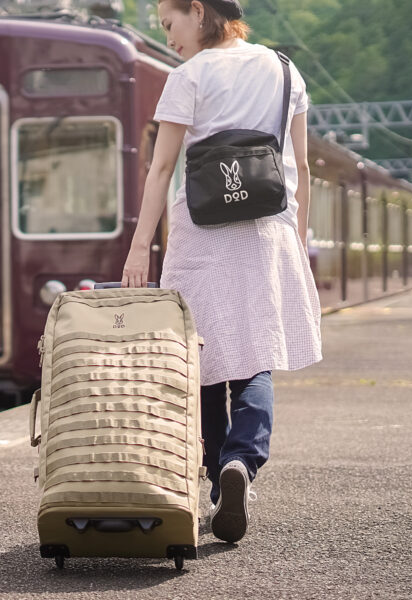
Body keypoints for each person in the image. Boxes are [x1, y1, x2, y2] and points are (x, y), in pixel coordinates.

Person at [121, 0, 323, 543]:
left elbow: (162, 167)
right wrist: (294, 242)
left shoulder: (188, 77)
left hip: (201, 231)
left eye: (170, 24)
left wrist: (141, 247)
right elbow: (300, 168)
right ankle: (242, 464)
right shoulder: (283, 69)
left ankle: (218, 478)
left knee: (201, 353)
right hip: (267, 227)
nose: (169, 39)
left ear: (197, 10)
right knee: (256, 354)